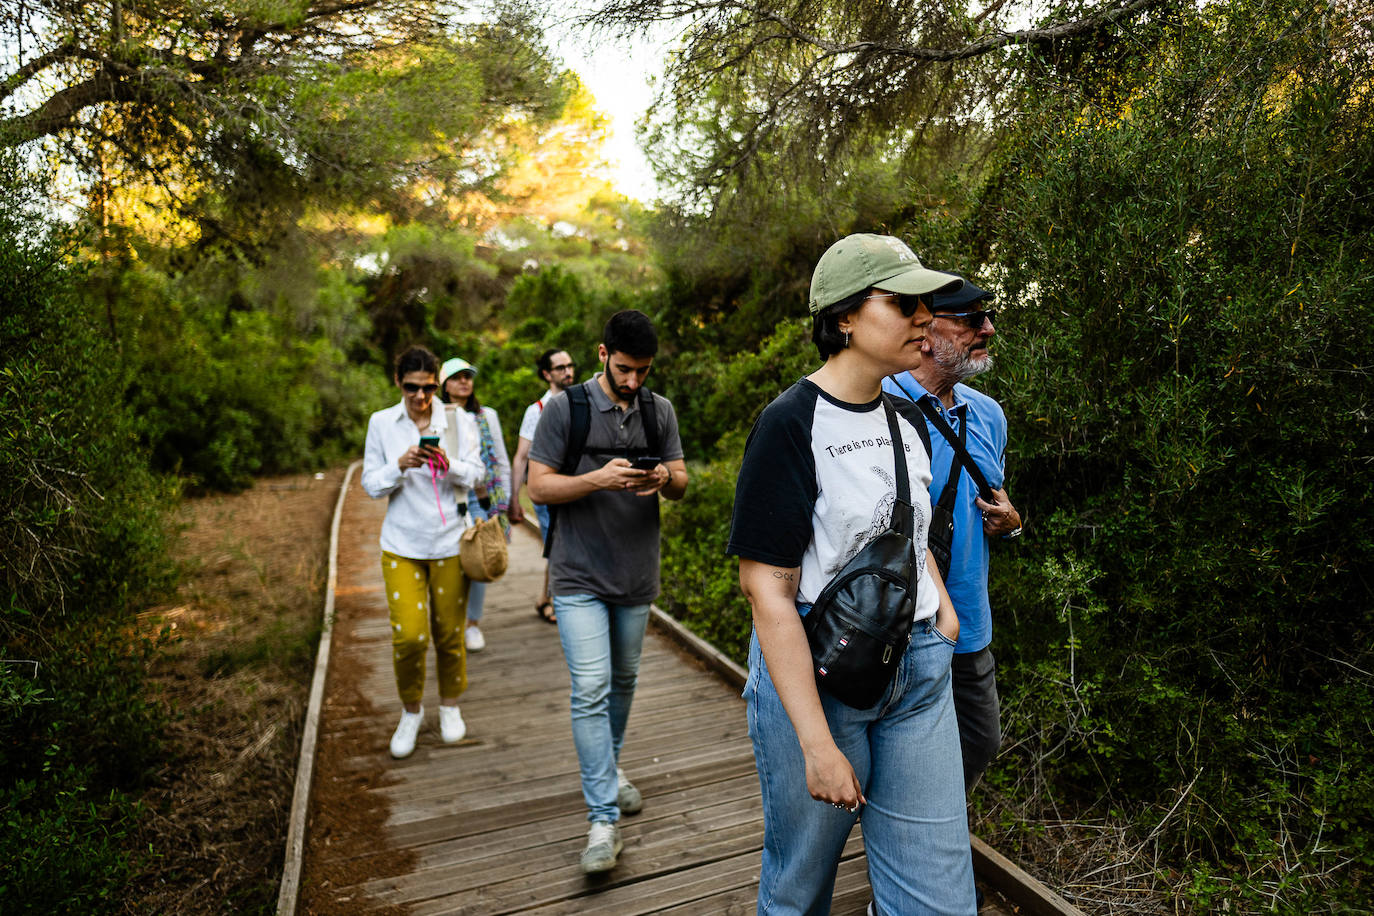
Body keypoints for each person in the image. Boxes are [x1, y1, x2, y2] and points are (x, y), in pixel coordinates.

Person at [727, 233, 977, 914]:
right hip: (821, 677)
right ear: (844, 316)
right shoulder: (789, 424)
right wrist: (814, 742)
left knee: (940, 900)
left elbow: (906, 528)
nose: (925, 316)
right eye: (903, 301)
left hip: (918, 668)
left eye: (926, 302)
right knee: (800, 887)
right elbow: (766, 591)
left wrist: (941, 608)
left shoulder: (908, 420)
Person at [527, 310, 688, 874]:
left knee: (622, 681)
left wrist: (663, 479)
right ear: (602, 354)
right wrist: (596, 478)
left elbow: (683, 480)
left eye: (643, 371)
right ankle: (602, 819)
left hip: (636, 573)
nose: (634, 381)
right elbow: (538, 487)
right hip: (576, 574)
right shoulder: (563, 409)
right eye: (624, 369)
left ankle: (610, 767)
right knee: (591, 685)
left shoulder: (657, 410)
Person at [883, 276, 1021, 794]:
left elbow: (990, 503)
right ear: (925, 328)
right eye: (970, 319)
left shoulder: (988, 414)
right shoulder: (880, 406)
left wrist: (1011, 522)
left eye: (988, 318)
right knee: (899, 753)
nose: (986, 329)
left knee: (979, 742)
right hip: (896, 624)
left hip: (967, 621)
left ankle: (924, 841)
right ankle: (913, 851)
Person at [361, 346, 486, 759]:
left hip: (450, 541)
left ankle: (450, 706)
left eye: (429, 387)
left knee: (450, 635)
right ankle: (411, 710)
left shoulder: (459, 420)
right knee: (410, 636)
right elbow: (370, 484)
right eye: (412, 387)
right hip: (401, 544)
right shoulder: (382, 423)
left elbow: (479, 473)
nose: (420, 396)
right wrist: (399, 465)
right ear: (398, 382)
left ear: (437, 383)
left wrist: (447, 464)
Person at [439, 356, 513, 654]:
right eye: (457, 377)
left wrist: (504, 502)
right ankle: (450, 623)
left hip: (481, 496)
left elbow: (500, 459)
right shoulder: (434, 415)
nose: (464, 381)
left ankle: (472, 624)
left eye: (468, 376)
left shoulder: (487, 416)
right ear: (444, 384)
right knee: (449, 559)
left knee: (479, 557)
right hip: (445, 495)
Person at [510, 347, 577, 623]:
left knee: (564, 545)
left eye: (570, 365)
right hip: (548, 490)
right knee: (557, 545)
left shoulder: (581, 402)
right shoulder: (536, 410)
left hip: (577, 488)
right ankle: (556, 602)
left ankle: (546, 598)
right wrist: (514, 499)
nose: (568, 371)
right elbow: (522, 456)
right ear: (547, 374)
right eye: (561, 367)